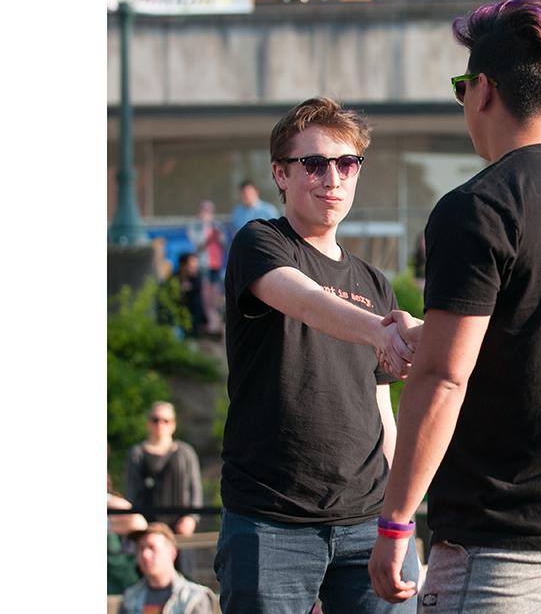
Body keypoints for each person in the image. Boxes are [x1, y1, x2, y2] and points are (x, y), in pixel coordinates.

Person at [366, 0, 541, 611]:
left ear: (484, 90)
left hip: (510, 530)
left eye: (460, 87)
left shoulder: (478, 206)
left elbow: (445, 379)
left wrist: (395, 523)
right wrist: (430, 330)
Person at [217, 96, 420, 613]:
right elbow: (305, 300)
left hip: (369, 520)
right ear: (280, 175)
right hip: (271, 520)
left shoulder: (374, 281)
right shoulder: (259, 242)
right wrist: (382, 330)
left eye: (346, 163)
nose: (332, 177)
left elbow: (383, 413)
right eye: (314, 163)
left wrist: (402, 516)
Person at [124, 401, 202, 536]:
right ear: (148, 422)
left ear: (173, 424)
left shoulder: (185, 452)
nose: (160, 425)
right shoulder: (137, 454)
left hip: (180, 530)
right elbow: (132, 492)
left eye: (166, 421)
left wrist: (191, 518)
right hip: (147, 531)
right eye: (155, 420)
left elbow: (195, 490)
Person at [119, 523, 219, 614]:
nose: (145, 555)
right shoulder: (130, 597)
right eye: (141, 548)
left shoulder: (195, 597)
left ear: (172, 552)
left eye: (152, 547)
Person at [186, 199, 227, 335]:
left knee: (216, 294)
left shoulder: (217, 225)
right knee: (204, 293)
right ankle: (207, 321)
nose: (207, 214)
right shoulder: (195, 226)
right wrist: (209, 236)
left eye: (209, 211)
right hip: (203, 264)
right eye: (204, 210)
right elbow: (196, 244)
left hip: (216, 263)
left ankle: (215, 323)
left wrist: (218, 236)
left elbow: (224, 243)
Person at [171, 252, 207, 338]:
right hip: (179, 316)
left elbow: (196, 289)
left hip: (193, 317)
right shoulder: (175, 278)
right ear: (183, 265)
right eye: (191, 263)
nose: (194, 266)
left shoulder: (195, 278)